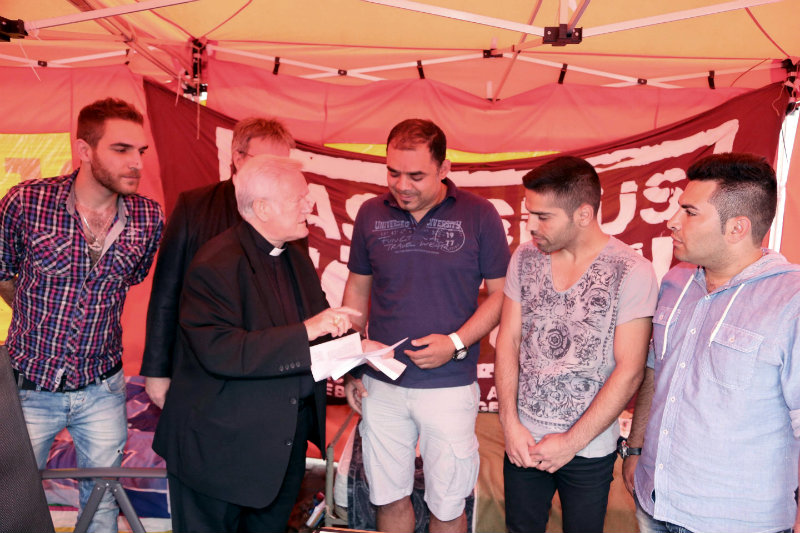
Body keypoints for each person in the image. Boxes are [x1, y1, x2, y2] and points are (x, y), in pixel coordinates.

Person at [152, 154, 360, 532]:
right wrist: (308, 330)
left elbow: (319, 331)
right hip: (216, 454)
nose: (308, 206)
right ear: (261, 209)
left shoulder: (293, 256)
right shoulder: (214, 264)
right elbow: (222, 350)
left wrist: (358, 352)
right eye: (298, 199)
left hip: (279, 451)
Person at [0, 97, 164, 532]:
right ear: (85, 150)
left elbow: (130, 280)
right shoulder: (27, 202)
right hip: (28, 384)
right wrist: (38, 314)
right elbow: (1, 270)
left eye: (141, 152)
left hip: (102, 386)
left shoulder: (148, 218)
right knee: (13, 506)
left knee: (103, 504)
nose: (136, 163)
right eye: (121, 149)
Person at [343, 118, 510, 533]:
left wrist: (456, 342)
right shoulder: (369, 213)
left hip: (450, 386)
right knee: (387, 497)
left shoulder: (480, 214)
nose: (402, 185)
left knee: (448, 506)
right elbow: (356, 294)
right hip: (381, 384)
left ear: (444, 168)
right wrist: (351, 364)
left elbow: (504, 294)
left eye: (416, 175)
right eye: (393, 172)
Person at [623, 153, 800, 533]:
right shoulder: (675, 282)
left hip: (737, 521)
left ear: (737, 228)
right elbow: (656, 371)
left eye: (689, 212)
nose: (672, 222)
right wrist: (635, 449)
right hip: (655, 501)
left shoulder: (791, 299)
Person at [495, 155, 657, 533]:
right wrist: (509, 423)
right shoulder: (524, 257)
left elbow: (630, 370)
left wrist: (570, 442)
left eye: (543, 216)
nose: (530, 226)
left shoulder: (632, 271)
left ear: (584, 214)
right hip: (522, 441)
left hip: (588, 448)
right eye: (528, 214)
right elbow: (508, 340)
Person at [141, 117, 295, 409]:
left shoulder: (289, 214)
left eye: (283, 165)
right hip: (199, 365)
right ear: (237, 157)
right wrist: (157, 371)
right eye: (266, 161)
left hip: (266, 366)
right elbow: (166, 292)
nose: (275, 173)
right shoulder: (194, 206)